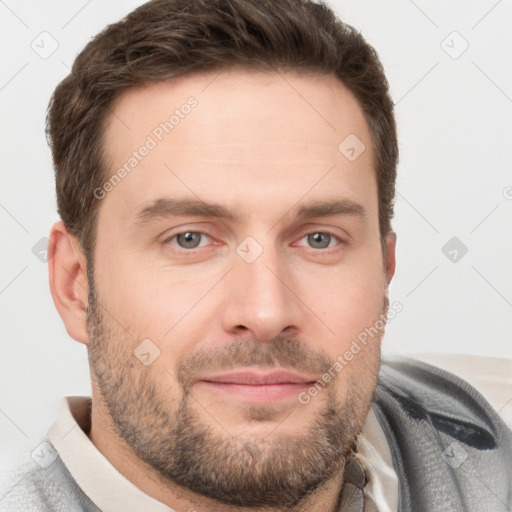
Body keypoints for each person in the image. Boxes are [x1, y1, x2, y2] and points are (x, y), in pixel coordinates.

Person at [1, 0, 511, 510]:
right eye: (190, 239)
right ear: (75, 285)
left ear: (385, 270)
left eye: (319, 239)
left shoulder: (492, 429)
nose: (266, 313)